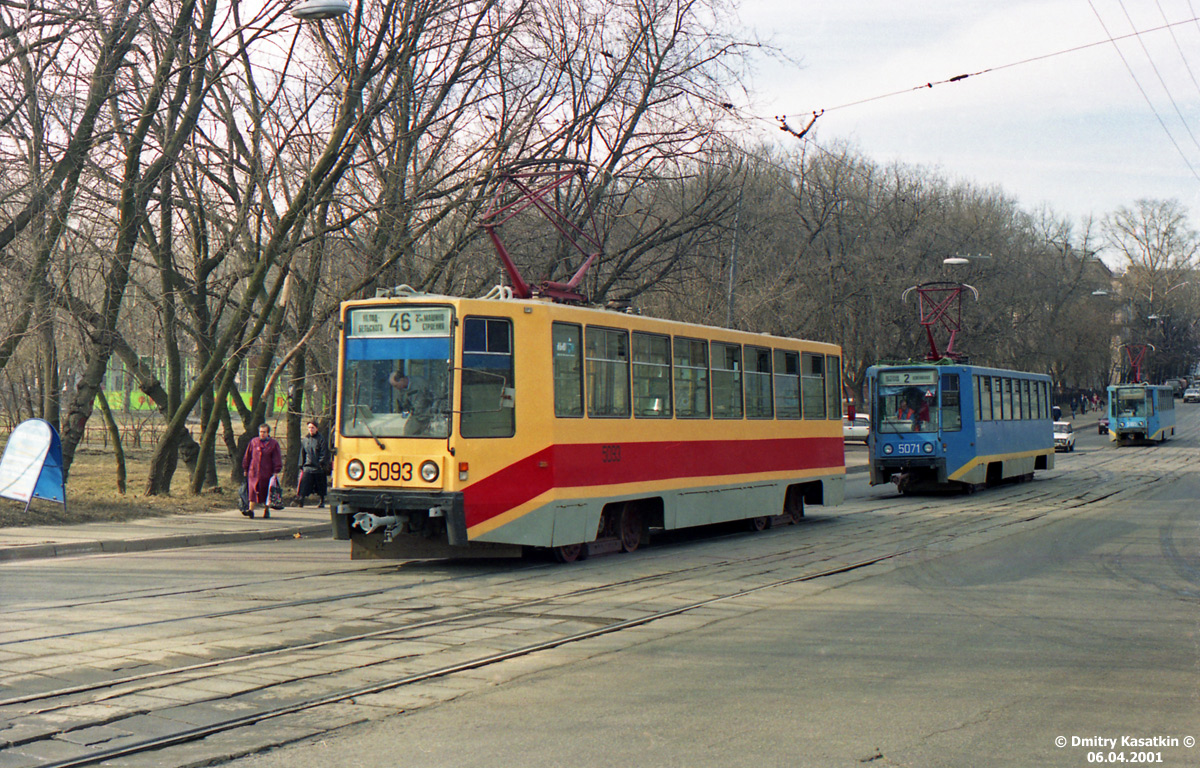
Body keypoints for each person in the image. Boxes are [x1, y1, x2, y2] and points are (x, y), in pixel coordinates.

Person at [242, 423, 282, 518]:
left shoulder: (273, 444)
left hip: (267, 472)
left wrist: (276, 471)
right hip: (254, 471)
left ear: (268, 433)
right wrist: (245, 468)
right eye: (260, 432)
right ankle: (251, 510)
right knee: (252, 491)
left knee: (266, 492)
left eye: (264, 432)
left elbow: (277, 458)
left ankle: (266, 510)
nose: (262, 434)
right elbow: (248, 456)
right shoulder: (254, 442)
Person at [389, 369, 433, 435]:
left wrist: (433, 411)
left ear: (402, 380)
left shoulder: (420, 383)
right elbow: (404, 406)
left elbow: (435, 396)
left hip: (428, 415)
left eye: (396, 385)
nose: (396, 388)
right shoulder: (401, 392)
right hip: (416, 415)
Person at [296, 420, 328, 508]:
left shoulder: (321, 439)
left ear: (316, 428)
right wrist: (301, 464)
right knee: (304, 484)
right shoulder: (305, 439)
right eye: (309, 428)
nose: (311, 429)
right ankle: (301, 500)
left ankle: (322, 500)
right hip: (308, 466)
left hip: (318, 467)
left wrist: (321, 462)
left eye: (312, 427)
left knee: (320, 485)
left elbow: (324, 452)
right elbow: (302, 452)